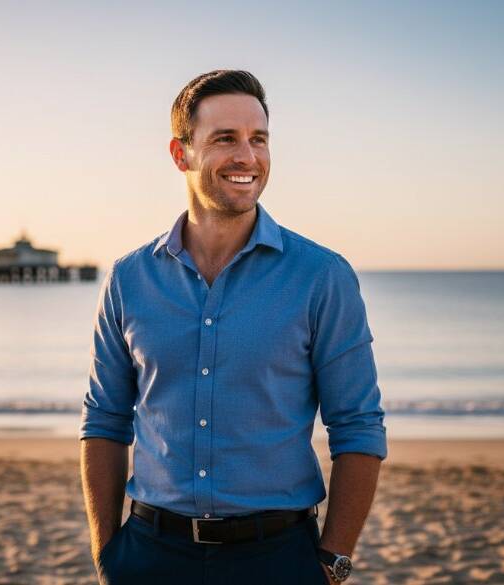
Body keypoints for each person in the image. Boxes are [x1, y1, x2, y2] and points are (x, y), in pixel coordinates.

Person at [79, 70, 387, 584]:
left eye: (258, 139)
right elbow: (105, 420)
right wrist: (107, 555)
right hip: (149, 555)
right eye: (226, 139)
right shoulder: (129, 279)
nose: (248, 156)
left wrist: (331, 563)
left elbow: (358, 426)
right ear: (181, 155)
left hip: (277, 559)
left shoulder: (321, 277)